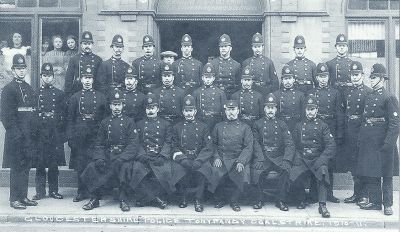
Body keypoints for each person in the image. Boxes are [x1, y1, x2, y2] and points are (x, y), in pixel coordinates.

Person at [80, 90, 139, 212]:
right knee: (93, 166)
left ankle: (123, 199)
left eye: (119, 104)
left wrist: (122, 158)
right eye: (114, 104)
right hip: (108, 155)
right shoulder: (105, 122)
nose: (116, 107)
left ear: (123, 105)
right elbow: (99, 143)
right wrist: (100, 157)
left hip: (123, 156)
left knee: (125, 167)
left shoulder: (129, 122)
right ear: (110, 106)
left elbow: (133, 144)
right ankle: (94, 198)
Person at [127, 93, 185, 209]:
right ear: (145, 109)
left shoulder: (166, 124)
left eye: (153, 108)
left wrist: (163, 155)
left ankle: (146, 199)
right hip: (144, 156)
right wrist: (142, 155)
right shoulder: (139, 124)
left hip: (159, 156)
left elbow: (169, 142)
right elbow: (135, 142)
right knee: (136, 170)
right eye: (148, 108)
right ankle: (156, 199)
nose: (150, 111)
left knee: (165, 172)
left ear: (157, 109)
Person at [357, 64, 400, 216]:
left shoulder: (389, 97)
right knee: (372, 173)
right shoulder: (369, 96)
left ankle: (387, 204)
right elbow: (365, 119)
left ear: (382, 79)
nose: (371, 80)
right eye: (371, 77)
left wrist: (388, 143)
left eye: (374, 77)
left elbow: (395, 124)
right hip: (370, 141)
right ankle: (375, 202)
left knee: (386, 175)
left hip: (384, 143)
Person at [289, 94, 336, 218]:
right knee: (294, 172)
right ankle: (301, 199)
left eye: (313, 109)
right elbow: (292, 145)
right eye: (308, 109)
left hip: (317, 158)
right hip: (303, 158)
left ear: (317, 110)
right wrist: (297, 158)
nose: (310, 112)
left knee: (323, 172)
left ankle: (322, 205)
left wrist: (321, 160)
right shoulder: (299, 126)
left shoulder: (323, 126)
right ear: (305, 110)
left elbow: (331, 146)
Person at [1, 54, 38, 209]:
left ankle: (23, 196)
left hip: (28, 135)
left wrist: (32, 133)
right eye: (18, 68)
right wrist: (17, 135)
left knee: (26, 166)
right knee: (16, 166)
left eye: (23, 68)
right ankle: (14, 199)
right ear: (13, 70)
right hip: (16, 136)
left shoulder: (28, 88)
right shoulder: (8, 90)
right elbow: (6, 116)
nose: (21, 71)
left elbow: (33, 111)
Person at [66, 67, 107, 202]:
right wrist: (71, 138)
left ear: (93, 80)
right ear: (81, 80)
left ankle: (95, 191)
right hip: (80, 135)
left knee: (95, 163)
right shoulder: (75, 97)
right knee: (81, 164)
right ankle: (81, 191)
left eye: (90, 78)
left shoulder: (101, 97)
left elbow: (104, 119)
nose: (87, 81)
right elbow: (70, 119)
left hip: (95, 135)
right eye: (85, 78)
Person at [172, 95, 218, 212]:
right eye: (186, 111)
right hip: (184, 158)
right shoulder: (177, 127)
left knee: (204, 169)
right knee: (178, 169)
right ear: (183, 112)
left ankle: (198, 199)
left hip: (198, 158)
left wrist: (199, 160)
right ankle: (183, 197)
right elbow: (173, 145)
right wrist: (182, 158)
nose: (188, 113)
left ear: (195, 111)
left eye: (190, 111)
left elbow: (208, 146)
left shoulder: (203, 127)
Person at [307, 62, 344, 203]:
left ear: (328, 77)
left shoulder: (335, 93)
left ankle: (329, 193)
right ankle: (313, 194)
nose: (322, 79)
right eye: (320, 76)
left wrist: (339, 135)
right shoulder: (311, 93)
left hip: (331, 128)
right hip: (315, 130)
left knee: (330, 162)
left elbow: (340, 115)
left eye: (325, 76)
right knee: (315, 159)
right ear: (316, 78)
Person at [251, 93, 295, 211]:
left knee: (286, 171)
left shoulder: (282, 124)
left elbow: (289, 143)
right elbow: (255, 142)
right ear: (264, 109)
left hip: (278, 157)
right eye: (268, 107)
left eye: (272, 108)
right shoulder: (258, 124)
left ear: (276, 109)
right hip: (264, 157)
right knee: (257, 171)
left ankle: (280, 200)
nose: (270, 110)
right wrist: (259, 157)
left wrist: (286, 159)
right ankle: (259, 200)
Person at [31, 63, 66, 201]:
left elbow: (63, 115)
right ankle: (40, 192)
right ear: (41, 77)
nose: (47, 78)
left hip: (54, 133)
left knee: (53, 163)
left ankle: (53, 190)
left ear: (53, 76)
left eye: (49, 75)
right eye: (44, 75)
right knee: (40, 163)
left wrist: (61, 134)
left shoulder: (59, 94)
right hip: (40, 133)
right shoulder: (36, 94)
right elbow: (33, 115)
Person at [211, 100, 253, 212]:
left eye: (233, 110)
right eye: (228, 110)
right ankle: (220, 199)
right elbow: (212, 144)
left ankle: (234, 200)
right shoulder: (218, 126)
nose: (231, 113)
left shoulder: (245, 127)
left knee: (242, 171)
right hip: (222, 157)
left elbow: (248, 147)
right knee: (216, 171)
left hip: (237, 158)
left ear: (238, 111)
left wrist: (241, 161)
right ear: (225, 111)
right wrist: (216, 157)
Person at [341, 61, 371, 205]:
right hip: (350, 131)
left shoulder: (368, 92)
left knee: (363, 163)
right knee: (353, 164)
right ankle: (356, 193)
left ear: (362, 75)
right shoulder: (347, 92)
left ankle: (365, 195)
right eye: (352, 75)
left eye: (357, 75)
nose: (354, 77)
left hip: (362, 131)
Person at [65, 31, 103, 98]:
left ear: (92, 45)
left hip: (94, 92)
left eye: (89, 44)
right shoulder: (74, 59)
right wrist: (68, 95)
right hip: (77, 91)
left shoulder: (98, 60)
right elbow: (69, 79)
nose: (87, 46)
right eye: (85, 44)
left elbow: (100, 80)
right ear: (81, 45)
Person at [192, 62, 227, 130]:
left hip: (215, 123)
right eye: (206, 77)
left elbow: (224, 112)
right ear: (202, 78)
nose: (208, 79)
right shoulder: (196, 92)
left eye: (210, 77)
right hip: (201, 123)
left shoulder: (220, 93)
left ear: (213, 78)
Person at [273, 65, 305, 132]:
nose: (288, 81)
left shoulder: (300, 95)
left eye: (290, 78)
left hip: (295, 126)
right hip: (280, 125)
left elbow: (303, 115)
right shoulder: (276, 95)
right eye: (285, 78)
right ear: (282, 80)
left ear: (293, 80)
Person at [210, 34, 241, 98]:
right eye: (221, 46)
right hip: (216, 97)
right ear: (219, 48)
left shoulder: (236, 65)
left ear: (230, 48)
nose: (223, 48)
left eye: (225, 46)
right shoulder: (213, 64)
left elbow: (238, 86)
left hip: (230, 98)